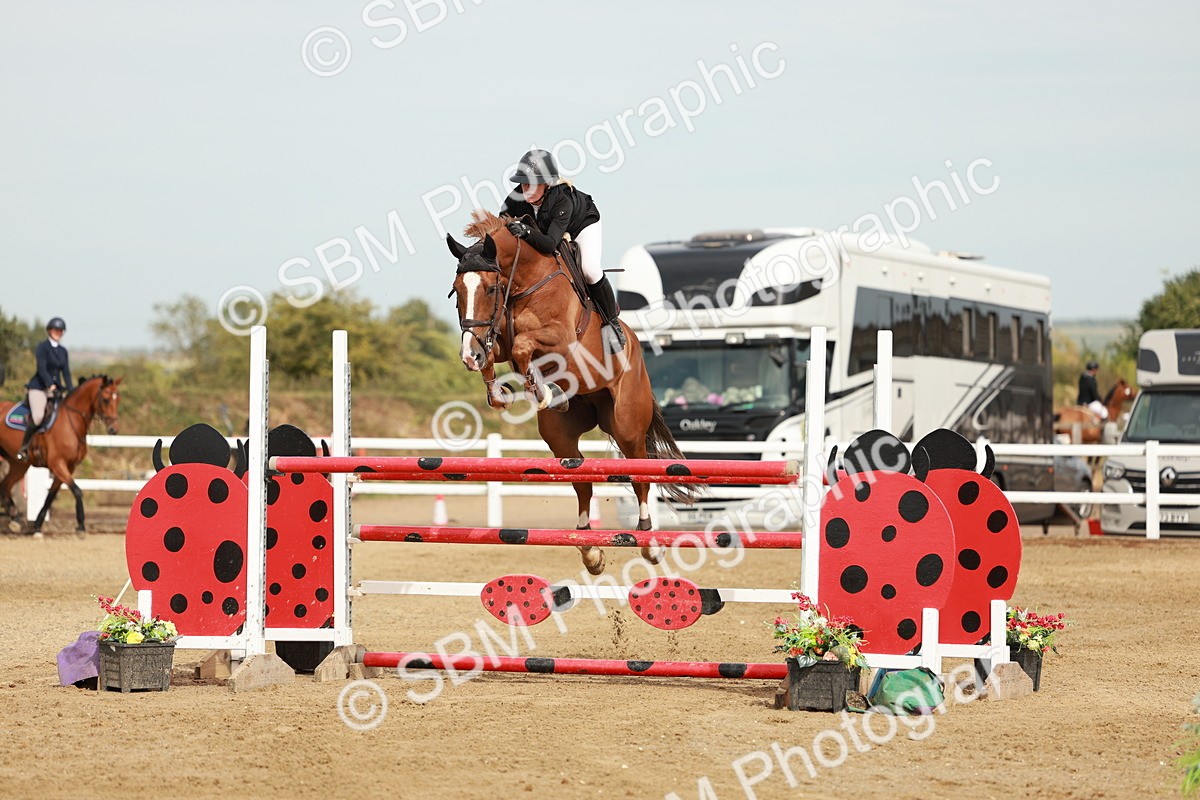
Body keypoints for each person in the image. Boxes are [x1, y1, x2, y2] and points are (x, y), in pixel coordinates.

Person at [500, 149, 625, 355]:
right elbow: (501, 224)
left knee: (590, 270)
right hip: (546, 229)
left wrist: (526, 231)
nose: (526, 189)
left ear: (546, 184)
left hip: (582, 224)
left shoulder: (561, 199)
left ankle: (612, 323)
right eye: (524, 184)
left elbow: (549, 243)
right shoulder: (516, 197)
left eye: (532, 185)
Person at [17, 317, 72, 461]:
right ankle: (24, 446)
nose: (58, 332)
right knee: (38, 417)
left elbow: (65, 372)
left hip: (56, 389)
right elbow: (41, 368)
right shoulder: (42, 347)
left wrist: (72, 390)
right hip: (39, 388)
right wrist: (50, 385)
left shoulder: (63, 351)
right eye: (56, 330)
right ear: (49, 330)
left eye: (61, 330)